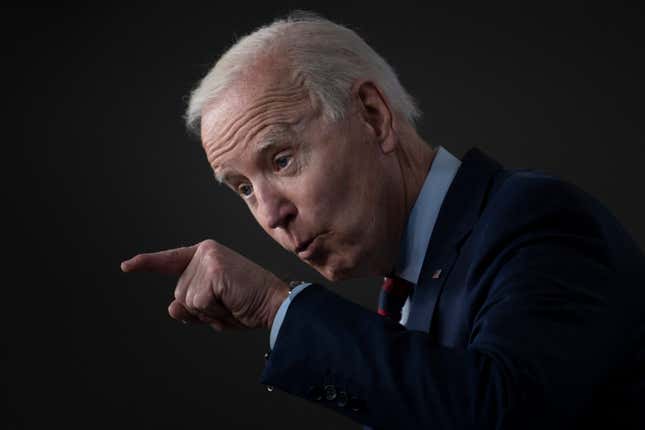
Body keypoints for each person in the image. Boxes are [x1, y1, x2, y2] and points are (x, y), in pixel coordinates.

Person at [120, 12, 645, 429]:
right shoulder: (407, 288)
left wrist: (275, 305)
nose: (271, 214)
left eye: (281, 160)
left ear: (374, 117)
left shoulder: (538, 219)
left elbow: (503, 414)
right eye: (243, 189)